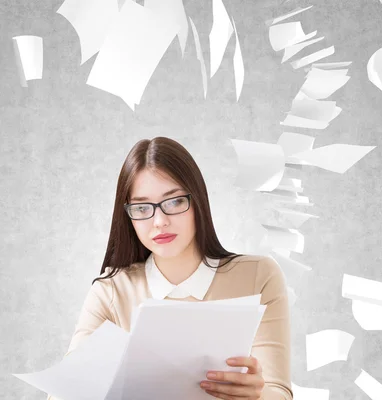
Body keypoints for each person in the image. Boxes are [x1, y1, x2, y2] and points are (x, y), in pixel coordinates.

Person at [47, 137, 293, 400]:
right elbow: (64, 393)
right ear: (128, 215)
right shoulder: (111, 291)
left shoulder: (258, 276)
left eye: (174, 202)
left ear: (198, 201)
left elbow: (278, 391)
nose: (160, 221)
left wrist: (257, 395)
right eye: (142, 208)